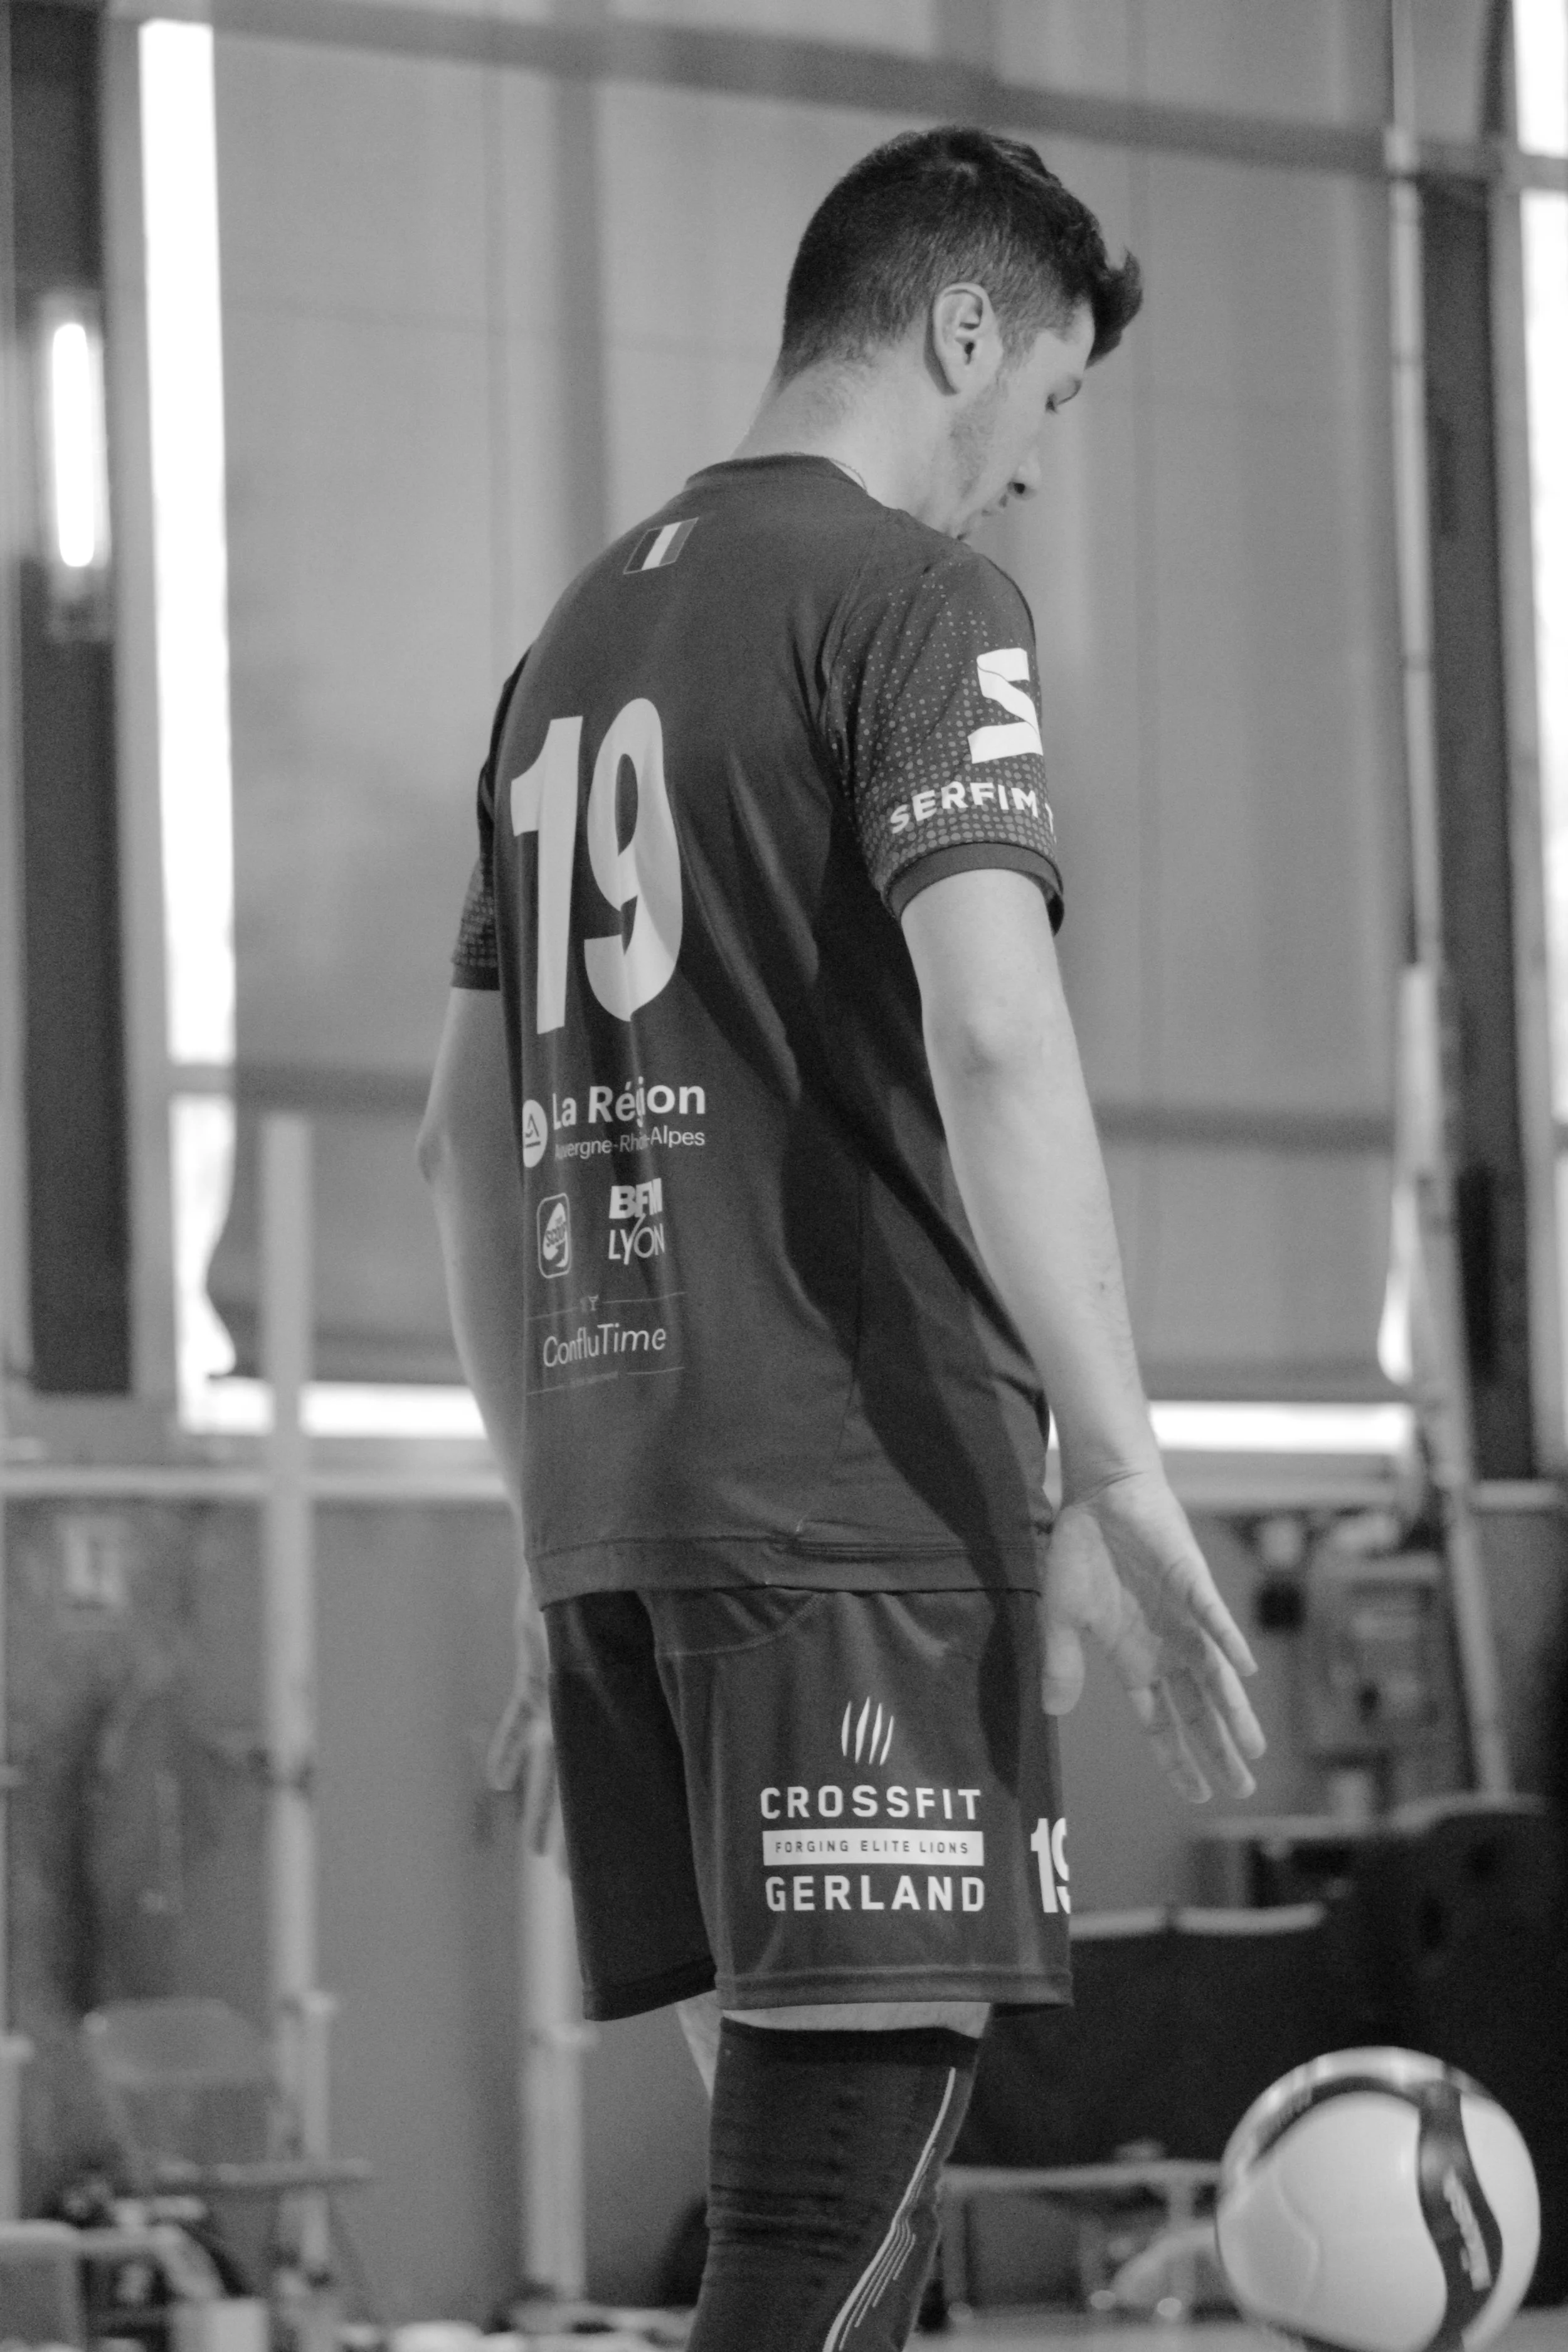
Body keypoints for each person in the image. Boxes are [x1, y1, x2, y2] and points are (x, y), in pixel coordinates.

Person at [420, 124, 1266, 2352]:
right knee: (821, 2234)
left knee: (836, 2233)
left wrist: (548, 1529)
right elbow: (998, 1043)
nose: (1030, 475)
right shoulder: (911, 603)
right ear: (961, 328)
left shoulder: (568, 640)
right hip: (846, 1523)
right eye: (1049, 405)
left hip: (621, 1521)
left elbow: (454, 1143)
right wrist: (1121, 1454)